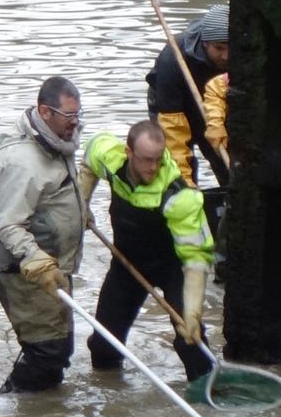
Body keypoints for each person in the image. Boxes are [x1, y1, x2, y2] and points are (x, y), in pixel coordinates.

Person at [79, 118, 214, 381]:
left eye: (158, 159)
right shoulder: (110, 158)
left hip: (174, 268)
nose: (153, 167)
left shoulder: (179, 196)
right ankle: (110, 398)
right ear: (128, 153)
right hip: (126, 264)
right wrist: (81, 202)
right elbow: (89, 155)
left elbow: (197, 259)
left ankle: (206, 388)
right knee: (104, 344)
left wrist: (193, 311)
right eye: (145, 160)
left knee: (190, 339)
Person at [0, 76, 86, 393]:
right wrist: (36, 259)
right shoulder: (23, 162)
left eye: (78, 114)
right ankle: (8, 405)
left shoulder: (60, 143)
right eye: (69, 116)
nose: (75, 123)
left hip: (56, 265)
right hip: (27, 270)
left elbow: (60, 191)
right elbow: (8, 225)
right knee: (46, 352)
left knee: (60, 348)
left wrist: (82, 215)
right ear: (45, 112)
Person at [144, 2, 230, 186]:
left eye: (230, 48)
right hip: (172, 106)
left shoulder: (242, 57)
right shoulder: (173, 59)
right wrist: (185, 185)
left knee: (225, 162)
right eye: (219, 48)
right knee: (179, 173)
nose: (226, 56)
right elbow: (173, 130)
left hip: (214, 108)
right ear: (206, 43)